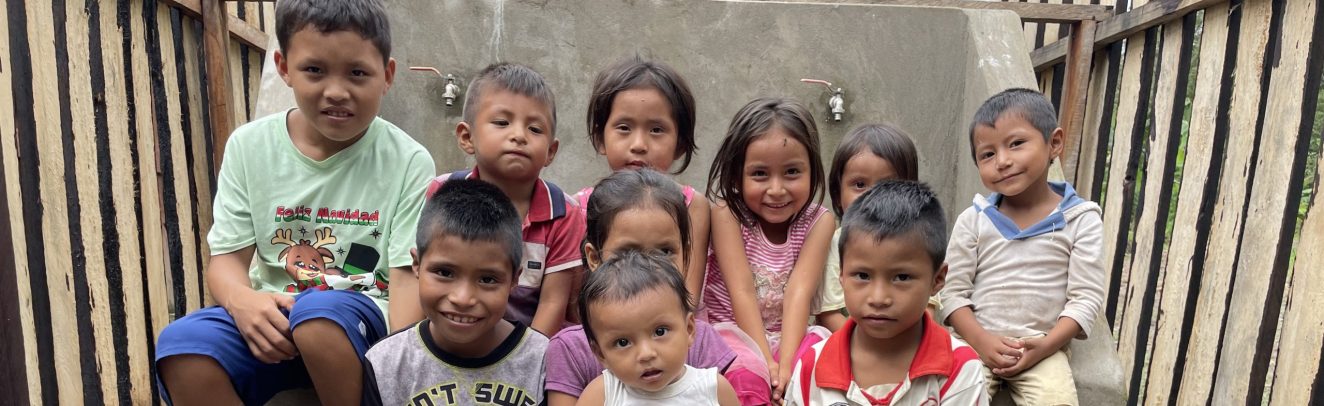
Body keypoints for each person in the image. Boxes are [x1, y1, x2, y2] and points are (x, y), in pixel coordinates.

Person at [153, 0, 434, 404]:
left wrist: (400, 370)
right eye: (314, 70)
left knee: (318, 316)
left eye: (357, 73)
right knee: (183, 347)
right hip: (273, 315)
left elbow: (406, 278)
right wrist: (243, 301)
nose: (336, 92)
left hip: (360, 319)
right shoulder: (250, 146)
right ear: (284, 67)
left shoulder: (407, 160)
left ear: (386, 76)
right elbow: (227, 260)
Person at [546, 169, 770, 405]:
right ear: (593, 257)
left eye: (664, 252)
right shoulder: (572, 351)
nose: (649, 266)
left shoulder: (702, 341)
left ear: (686, 253)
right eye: (629, 252)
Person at [939, 88, 1105, 405]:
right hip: (974, 342)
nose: (1003, 161)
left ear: (1054, 143)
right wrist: (982, 341)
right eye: (987, 154)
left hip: (1042, 348)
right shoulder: (974, 220)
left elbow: (1085, 299)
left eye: (1016, 144)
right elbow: (952, 293)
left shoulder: (1080, 220)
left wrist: (1046, 347)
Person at [786, 180, 987, 405]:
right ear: (841, 274)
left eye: (901, 277)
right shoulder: (811, 368)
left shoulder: (959, 369)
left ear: (937, 279)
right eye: (862, 275)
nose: (878, 298)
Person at [425, 62, 586, 337]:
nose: (519, 136)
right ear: (467, 137)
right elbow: (427, 276)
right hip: (452, 330)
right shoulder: (443, 191)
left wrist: (526, 357)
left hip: (526, 342)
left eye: (535, 129)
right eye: (502, 123)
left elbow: (553, 303)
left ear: (551, 151)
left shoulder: (564, 213)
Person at [364, 179, 546, 406]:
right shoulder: (386, 363)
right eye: (444, 273)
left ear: (514, 280)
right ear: (416, 265)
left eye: (487, 279)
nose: (463, 298)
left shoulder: (544, 362)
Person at [704, 98, 836, 401]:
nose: (776, 190)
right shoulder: (727, 214)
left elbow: (799, 292)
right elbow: (742, 291)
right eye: (760, 174)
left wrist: (786, 365)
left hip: (791, 335)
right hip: (734, 334)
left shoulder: (819, 222)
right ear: (737, 174)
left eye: (792, 172)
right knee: (747, 377)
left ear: (812, 170)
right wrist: (765, 361)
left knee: (816, 365)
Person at [578, 55, 708, 304]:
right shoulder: (579, 207)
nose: (639, 144)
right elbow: (578, 301)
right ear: (600, 138)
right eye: (624, 128)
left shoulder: (692, 206)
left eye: (656, 130)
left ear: (680, 144)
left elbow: (688, 297)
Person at [574, 251, 740, 405]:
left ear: (689, 329)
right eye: (623, 342)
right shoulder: (602, 395)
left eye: (660, 332)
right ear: (601, 354)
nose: (646, 354)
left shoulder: (714, 390)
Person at [817, 124, 921, 331]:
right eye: (859, 185)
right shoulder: (833, 244)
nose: (872, 197)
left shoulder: (918, 242)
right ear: (837, 195)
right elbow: (829, 314)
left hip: (905, 339)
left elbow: (926, 308)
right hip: (846, 339)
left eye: (887, 186)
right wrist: (866, 344)